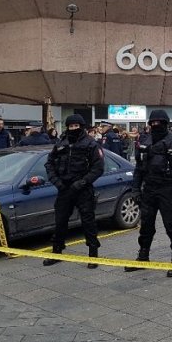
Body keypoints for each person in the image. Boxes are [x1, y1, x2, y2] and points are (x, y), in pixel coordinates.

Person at [125, 110, 172, 277]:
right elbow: (139, 168)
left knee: (171, 225)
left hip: (168, 189)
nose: (156, 125)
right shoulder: (144, 141)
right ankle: (143, 256)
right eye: (153, 122)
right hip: (149, 190)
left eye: (159, 122)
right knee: (146, 225)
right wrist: (135, 189)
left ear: (166, 123)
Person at [43, 114, 105, 268]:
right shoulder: (61, 143)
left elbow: (98, 168)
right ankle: (57, 251)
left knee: (88, 222)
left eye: (76, 126)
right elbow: (49, 164)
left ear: (82, 127)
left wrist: (82, 182)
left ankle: (93, 255)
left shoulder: (91, 144)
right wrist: (57, 182)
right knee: (60, 221)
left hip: (83, 189)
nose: (74, 129)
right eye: (71, 126)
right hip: (64, 188)